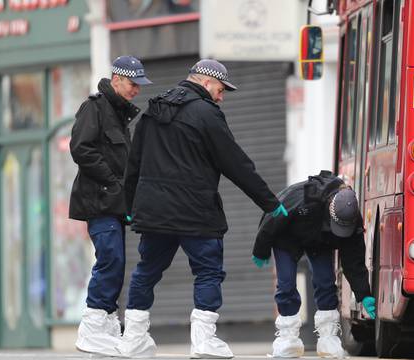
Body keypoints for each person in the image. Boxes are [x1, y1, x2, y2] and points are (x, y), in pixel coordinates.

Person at [118, 59, 288, 358]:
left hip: (155, 212)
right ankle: (203, 341)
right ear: (206, 82)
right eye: (221, 90)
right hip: (195, 211)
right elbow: (235, 163)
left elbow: (134, 163)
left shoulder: (153, 109)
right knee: (208, 271)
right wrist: (270, 203)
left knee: (146, 270)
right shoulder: (206, 114)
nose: (221, 97)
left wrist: (131, 206)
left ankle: (133, 339)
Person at [69, 55, 152, 356]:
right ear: (116, 79)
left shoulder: (118, 114)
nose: (136, 90)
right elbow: (81, 148)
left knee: (116, 262)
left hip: (114, 204)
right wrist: (114, 183)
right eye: (133, 84)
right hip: (99, 201)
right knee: (110, 259)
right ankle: (92, 324)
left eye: (139, 85)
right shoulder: (95, 107)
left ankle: (106, 322)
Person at [252, 170, 376, 358]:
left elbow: (354, 258)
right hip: (287, 237)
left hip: (320, 240)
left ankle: (328, 339)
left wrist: (363, 293)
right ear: (329, 210)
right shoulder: (301, 198)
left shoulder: (353, 218)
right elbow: (271, 219)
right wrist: (260, 250)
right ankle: (288, 340)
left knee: (325, 281)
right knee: (286, 284)